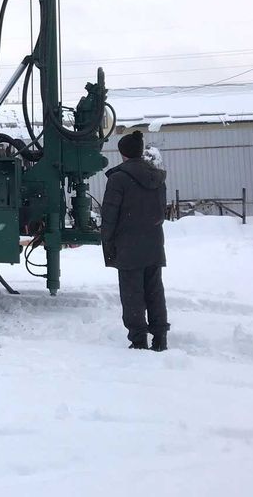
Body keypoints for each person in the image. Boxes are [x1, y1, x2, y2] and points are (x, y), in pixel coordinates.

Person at [101, 130, 170, 351]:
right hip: (153, 243)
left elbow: (109, 217)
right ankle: (160, 338)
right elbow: (161, 212)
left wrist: (108, 242)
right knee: (154, 292)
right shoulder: (158, 178)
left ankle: (139, 341)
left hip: (128, 246)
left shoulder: (118, 179)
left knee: (133, 296)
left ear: (122, 153)